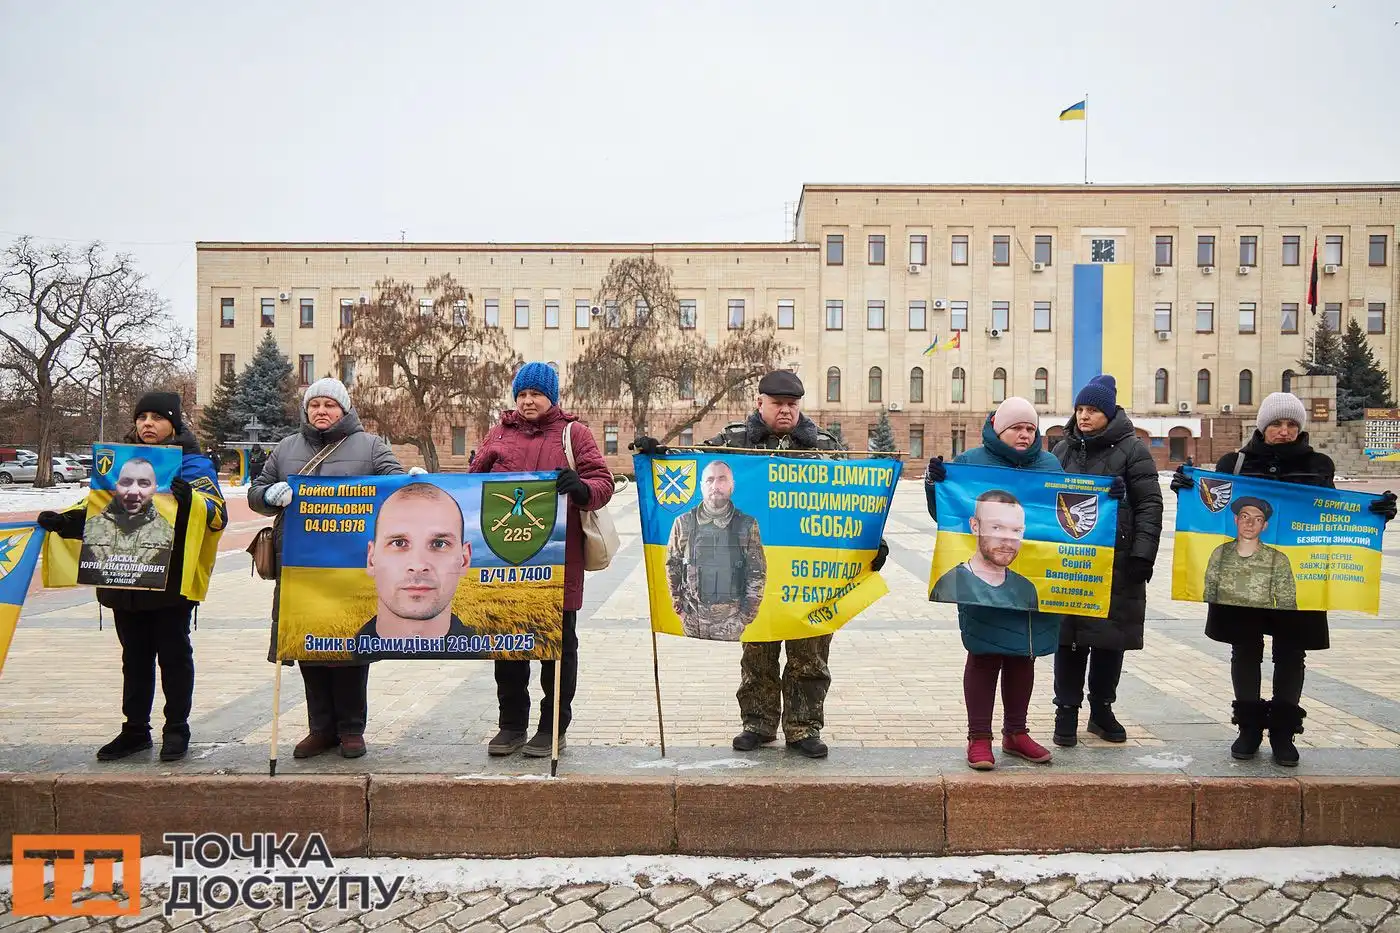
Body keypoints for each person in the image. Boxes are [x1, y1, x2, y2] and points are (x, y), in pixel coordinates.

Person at [635, 369, 888, 760]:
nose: (786, 410)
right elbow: (695, 466)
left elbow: (848, 500)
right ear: (760, 403)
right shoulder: (735, 442)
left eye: (792, 404)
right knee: (758, 653)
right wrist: (658, 454)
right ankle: (758, 723)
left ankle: (804, 727)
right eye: (777, 403)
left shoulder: (823, 446)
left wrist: (874, 542)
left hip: (807, 573)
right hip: (748, 570)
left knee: (810, 656)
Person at [1172, 391, 1396, 766]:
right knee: (1245, 649)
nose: (1284, 430)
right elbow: (1213, 505)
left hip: (1295, 574)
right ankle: (1247, 727)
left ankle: (1283, 732)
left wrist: (1374, 512)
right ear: (1263, 426)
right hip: (1241, 575)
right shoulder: (1234, 462)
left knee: (1292, 652)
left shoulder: (1318, 463)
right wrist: (1187, 489)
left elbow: (1334, 511)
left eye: (1292, 424)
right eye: (1276, 423)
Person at [37, 392, 226, 762]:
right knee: (134, 658)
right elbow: (96, 511)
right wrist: (64, 523)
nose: (148, 424)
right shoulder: (117, 463)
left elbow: (217, 514)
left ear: (175, 423)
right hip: (124, 580)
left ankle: (177, 728)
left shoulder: (194, 465)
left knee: (173, 656)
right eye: (142, 417)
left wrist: (190, 501)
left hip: (170, 582)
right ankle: (135, 730)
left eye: (157, 417)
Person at [250, 378, 406, 760]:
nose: (322, 411)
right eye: (315, 405)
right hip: (301, 567)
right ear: (306, 410)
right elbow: (257, 491)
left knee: (351, 645)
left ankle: (352, 729)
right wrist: (269, 495)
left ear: (345, 409)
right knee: (309, 646)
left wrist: (411, 481)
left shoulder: (370, 446)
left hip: (351, 567)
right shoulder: (287, 448)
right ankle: (320, 728)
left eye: (330, 405)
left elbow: (395, 483)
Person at [469, 362, 615, 758]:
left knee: (558, 649)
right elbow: (471, 482)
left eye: (535, 394)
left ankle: (553, 728)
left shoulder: (574, 433)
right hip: (505, 563)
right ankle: (511, 724)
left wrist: (581, 487)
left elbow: (603, 483)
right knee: (508, 646)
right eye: (522, 394)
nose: (528, 400)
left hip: (557, 562)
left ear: (551, 397)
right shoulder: (499, 433)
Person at [924, 396, 1063, 771]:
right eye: (1017, 427)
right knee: (985, 656)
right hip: (981, 584)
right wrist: (934, 484)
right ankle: (979, 738)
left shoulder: (1050, 464)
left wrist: (1103, 499)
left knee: (1024, 656)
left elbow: (1063, 516)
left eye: (1030, 427)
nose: (1024, 434)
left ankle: (1016, 733)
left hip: (1030, 579)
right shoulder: (971, 462)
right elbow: (947, 513)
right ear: (999, 429)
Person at [1049, 374, 1161, 747]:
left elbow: (1149, 504)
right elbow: (1043, 500)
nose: (1084, 416)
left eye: (1093, 410)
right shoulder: (1061, 450)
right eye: (1080, 409)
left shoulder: (1133, 450)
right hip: (1069, 564)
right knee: (1068, 640)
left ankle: (1101, 711)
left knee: (1109, 640)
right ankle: (1065, 711)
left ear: (1109, 413)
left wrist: (1143, 553)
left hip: (1118, 563)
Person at [353, 482, 480, 658]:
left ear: (464, 559)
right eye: (399, 543)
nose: (419, 565)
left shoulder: (484, 651)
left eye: (439, 544)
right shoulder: (345, 656)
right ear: (371, 558)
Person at [665, 460, 766, 641]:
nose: (715, 485)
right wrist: (679, 608)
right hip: (692, 621)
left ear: (732, 485)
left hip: (731, 623)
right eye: (710, 480)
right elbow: (672, 567)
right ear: (701, 486)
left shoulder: (747, 525)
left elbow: (757, 573)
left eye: (722, 479)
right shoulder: (683, 523)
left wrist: (745, 618)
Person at [931, 489, 1038, 609]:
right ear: (975, 526)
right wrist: (930, 485)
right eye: (997, 528)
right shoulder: (951, 583)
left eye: (1016, 530)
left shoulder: (1027, 588)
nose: (1008, 540)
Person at [79, 456, 176, 588]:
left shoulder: (168, 532)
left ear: (155, 489)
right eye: (126, 482)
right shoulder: (91, 526)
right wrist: (63, 524)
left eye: (144, 484)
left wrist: (188, 504)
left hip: (159, 603)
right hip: (115, 601)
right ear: (116, 485)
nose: (133, 492)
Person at [1202, 497, 1297, 610]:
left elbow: (1287, 604)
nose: (1250, 524)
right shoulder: (1220, 553)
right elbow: (1210, 594)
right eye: (1245, 517)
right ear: (1236, 519)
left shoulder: (1277, 560)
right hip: (1224, 622)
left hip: (1263, 624)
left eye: (1258, 520)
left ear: (1264, 526)